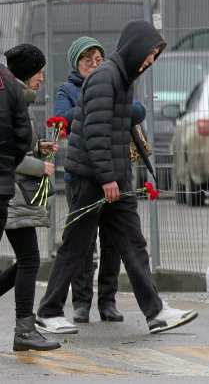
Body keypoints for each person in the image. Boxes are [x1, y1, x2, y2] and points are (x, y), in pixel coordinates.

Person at [36, 20, 197, 335]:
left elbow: (118, 130)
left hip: (114, 178)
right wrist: (108, 178)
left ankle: (156, 312)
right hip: (92, 179)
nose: (151, 60)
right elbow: (95, 134)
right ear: (135, 48)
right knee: (76, 245)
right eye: (149, 53)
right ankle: (48, 310)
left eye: (155, 55)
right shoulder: (105, 78)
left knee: (134, 244)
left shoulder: (123, 79)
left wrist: (118, 178)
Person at [54, 36, 146, 323]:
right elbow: (60, 121)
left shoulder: (117, 82)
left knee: (113, 242)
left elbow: (138, 110)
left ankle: (108, 300)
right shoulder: (67, 90)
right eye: (87, 60)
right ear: (75, 63)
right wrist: (92, 99)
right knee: (82, 243)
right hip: (82, 176)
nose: (94, 65)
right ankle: (81, 302)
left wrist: (106, 100)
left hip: (116, 174)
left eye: (98, 60)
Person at [0, 44, 60, 351]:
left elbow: (19, 146)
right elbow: (7, 153)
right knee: (29, 259)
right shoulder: (13, 98)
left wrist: (39, 149)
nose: (41, 78)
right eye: (39, 72)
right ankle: (24, 330)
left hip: (15, 192)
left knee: (26, 259)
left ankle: (25, 328)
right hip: (14, 194)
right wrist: (40, 166)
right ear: (26, 73)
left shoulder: (18, 98)